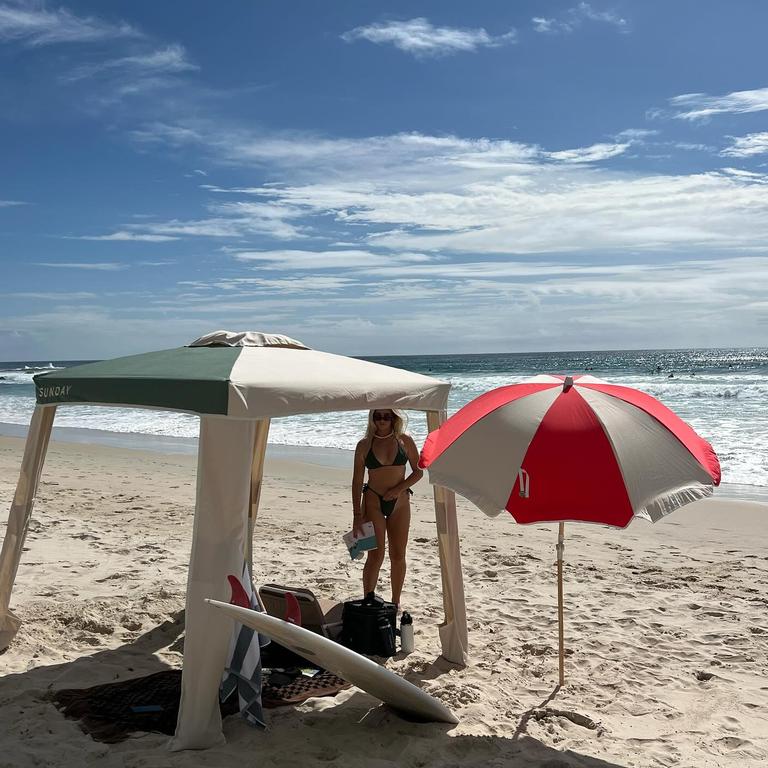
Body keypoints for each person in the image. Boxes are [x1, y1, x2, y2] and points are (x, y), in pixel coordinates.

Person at [351, 409, 422, 608]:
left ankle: (395, 603)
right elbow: (357, 482)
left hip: (400, 503)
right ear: (372, 418)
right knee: (376, 555)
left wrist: (398, 489)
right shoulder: (365, 445)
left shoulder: (404, 441)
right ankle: (368, 599)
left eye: (386, 416)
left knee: (398, 555)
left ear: (394, 418)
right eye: (377, 416)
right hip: (373, 501)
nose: (382, 420)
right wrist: (357, 515)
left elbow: (418, 472)